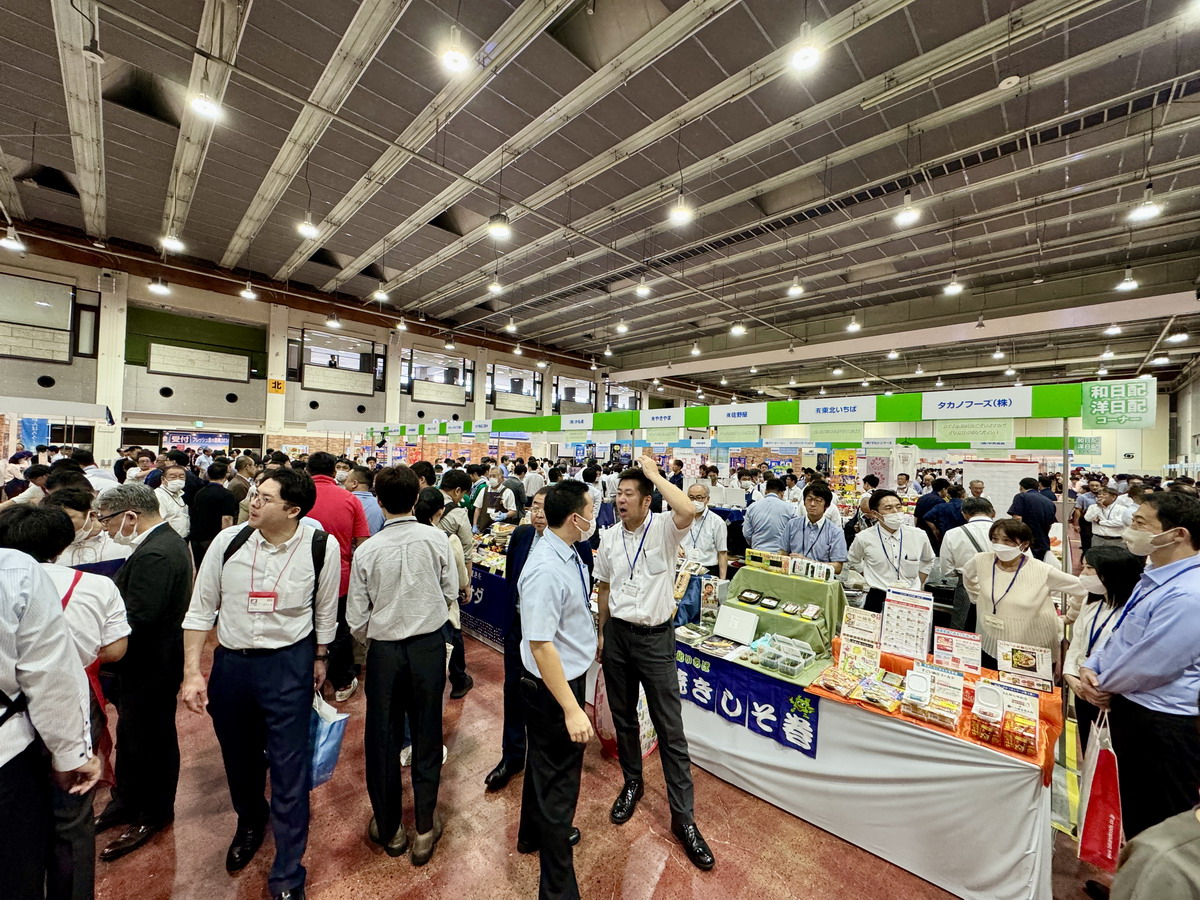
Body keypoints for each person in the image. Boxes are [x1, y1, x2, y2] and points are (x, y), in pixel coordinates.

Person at [181, 468, 339, 900]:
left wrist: (320, 658)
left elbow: (325, 612)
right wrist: (193, 671)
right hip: (232, 665)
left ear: (293, 510)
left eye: (265, 499)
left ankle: (288, 872)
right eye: (255, 493)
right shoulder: (227, 543)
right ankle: (250, 819)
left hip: (289, 664)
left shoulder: (319, 547)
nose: (253, 502)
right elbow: (200, 611)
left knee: (290, 766)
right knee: (239, 756)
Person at [0, 505, 129, 900]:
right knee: (66, 821)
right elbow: (51, 673)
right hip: (22, 731)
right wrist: (72, 755)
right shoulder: (21, 574)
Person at [596, 456, 715, 871]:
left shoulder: (664, 528)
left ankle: (684, 820)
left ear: (647, 501)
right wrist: (601, 633)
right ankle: (633, 783)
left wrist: (653, 474)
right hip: (618, 638)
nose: (620, 499)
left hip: (655, 640)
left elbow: (688, 509)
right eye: (618, 493)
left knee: (670, 728)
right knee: (624, 717)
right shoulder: (609, 537)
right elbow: (605, 586)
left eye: (629, 494)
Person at [348, 468, 456, 866]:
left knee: (382, 737)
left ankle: (391, 826)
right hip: (428, 647)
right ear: (417, 498)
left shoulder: (367, 550)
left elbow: (356, 616)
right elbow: (448, 592)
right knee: (427, 732)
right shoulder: (437, 540)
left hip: (385, 652)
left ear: (378, 501)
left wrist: (378, 639)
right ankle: (425, 827)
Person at [1076, 492, 1200, 839]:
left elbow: (1154, 663)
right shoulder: (1154, 573)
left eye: (1140, 522)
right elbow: (1122, 633)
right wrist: (1093, 664)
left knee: (1161, 819)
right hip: (1128, 703)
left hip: (1163, 723)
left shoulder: (1189, 594)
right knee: (1131, 806)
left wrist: (1102, 684)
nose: (1131, 529)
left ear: (1178, 534)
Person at [92, 482, 192, 861]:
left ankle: (154, 811)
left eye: (107, 520)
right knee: (132, 735)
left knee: (152, 740)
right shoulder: (159, 544)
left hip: (152, 665)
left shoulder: (157, 553)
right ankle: (126, 800)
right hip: (144, 666)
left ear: (130, 516)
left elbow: (140, 618)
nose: (105, 528)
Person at [517, 480, 597, 898]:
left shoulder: (570, 553)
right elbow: (541, 643)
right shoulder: (546, 568)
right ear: (574, 518)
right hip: (553, 687)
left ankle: (530, 833)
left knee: (544, 768)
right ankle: (558, 891)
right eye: (591, 507)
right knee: (559, 788)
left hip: (565, 675)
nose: (595, 513)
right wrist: (571, 708)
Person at [486, 488, 593, 796]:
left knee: (549, 711)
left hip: (551, 642)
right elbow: (511, 582)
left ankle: (539, 764)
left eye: (544, 509)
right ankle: (512, 755)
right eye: (534, 507)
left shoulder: (576, 549)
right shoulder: (520, 537)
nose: (538, 514)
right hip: (520, 632)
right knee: (514, 693)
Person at [962, 519, 1085, 670]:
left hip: (1031, 649)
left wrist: (1070, 616)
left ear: (1024, 544)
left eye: (1007, 540)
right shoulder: (981, 560)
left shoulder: (1042, 571)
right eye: (995, 539)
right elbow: (967, 576)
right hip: (990, 641)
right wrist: (977, 598)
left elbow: (1082, 589)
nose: (999, 544)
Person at [1064, 546, 1143, 755]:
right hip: (1082, 689)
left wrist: (1104, 690)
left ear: (1111, 574)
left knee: (1112, 755)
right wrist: (1070, 677)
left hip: (1110, 696)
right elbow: (1077, 643)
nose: (1083, 574)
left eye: (1089, 568)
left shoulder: (1132, 614)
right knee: (1089, 751)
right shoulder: (1092, 604)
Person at [305, 451, 370, 703]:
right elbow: (362, 542)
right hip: (341, 576)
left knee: (305, 626)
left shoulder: (299, 496)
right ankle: (342, 682)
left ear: (308, 471)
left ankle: (307, 680)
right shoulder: (350, 499)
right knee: (340, 629)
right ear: (334, 472)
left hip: (300, 575)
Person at [845, 490, 935, 612]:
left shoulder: (918, 535)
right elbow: (854, 559)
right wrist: (868, 575)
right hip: (878, 595)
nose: (895, 512)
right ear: (875, 514)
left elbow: (928, 559)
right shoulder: (864, 537)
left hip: (911, 597)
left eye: (898, 507)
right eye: (888, 508)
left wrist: (919, 580)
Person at [437, 469, 475, 699]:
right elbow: (466, 552)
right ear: (458, 490)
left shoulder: (421, 499)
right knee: (453, 626)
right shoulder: (458, 513)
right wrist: (466, 583)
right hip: (447, 577)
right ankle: (459, 678)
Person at [937, 497, 995, 631]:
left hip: (966, 587)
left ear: (964, 513)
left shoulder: (953, 534)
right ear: (993, 512)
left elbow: (947, 570)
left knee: (963, 628)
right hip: (1003, 587)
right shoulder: (1008, 531)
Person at [43, 488, 132, 568]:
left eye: (66, 518)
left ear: (92, 515)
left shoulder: (121, 542)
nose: (59, 524)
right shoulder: (53, 549)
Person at [781, 482, 849, 573]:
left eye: (818, 500)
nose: (812, 504)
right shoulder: (792, 524)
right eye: (809, 499)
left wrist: (807, 562)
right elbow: (783, 553)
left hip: (820, 581)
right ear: (804, 502)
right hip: (792, 577)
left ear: (827, 505)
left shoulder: (835, 532)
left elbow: (837, 567)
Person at [189, 461, 239, 567]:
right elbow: (227, 518)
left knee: (200, 568)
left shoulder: (200, 492)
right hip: (213, 538)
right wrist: (226, 539)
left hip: (196, 537)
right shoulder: (226, 494)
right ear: (226, 475)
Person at [682, 483, 729, 578]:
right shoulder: (681, 517)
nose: (695, 501)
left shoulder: (717, 522)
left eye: (699, 497)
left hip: (707, 571)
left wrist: (722, 580)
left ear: (707, 499)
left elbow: (722, 552)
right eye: (691, 497)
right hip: (683, 569)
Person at [1007, 477, 1057, 561]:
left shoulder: (1021, 497)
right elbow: (1050, 524)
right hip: (1043, 542)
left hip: (1025, 542)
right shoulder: (1049, 502)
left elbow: (1017, 518)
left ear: (1021, 487)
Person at [741, 477, 794, 553]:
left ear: (766, 491)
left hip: (757, 552)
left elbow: (746, 533)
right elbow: (794, 534)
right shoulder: (790, 508)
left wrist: (754, 544)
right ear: (782, 493)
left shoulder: (752, 507)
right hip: (780, 554)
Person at [923, 483, 966, 552]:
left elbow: (927, 517)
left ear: (949, 495)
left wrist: (935, 530)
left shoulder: (941, 506)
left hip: (945, 537)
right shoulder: (967, 507)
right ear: (963, 495)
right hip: (964, 537)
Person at [345, 466, 384, 535]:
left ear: (355, 484)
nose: (345, 483)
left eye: (346, 479)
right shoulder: (380, 506)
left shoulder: (344, 502)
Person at [155, 464, 191, 540]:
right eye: (173, 477)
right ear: (163, 479)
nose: (178, 480)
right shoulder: (159, 496)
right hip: (167, 540)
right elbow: (157, 522)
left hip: (181, 538)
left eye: (181, 477)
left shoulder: (179, 494)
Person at [913, 477, 949, 543]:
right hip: (932, 533)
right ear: (943, 489)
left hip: (920, 530)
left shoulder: (922, 498)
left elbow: (916, 516)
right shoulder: (941, 501)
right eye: (947, 490)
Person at [1073, 477, 1102, 553]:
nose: (1094, 487)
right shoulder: (1082, 497)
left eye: (1097, 485)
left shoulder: (1105, 497)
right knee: (1086, 542)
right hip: (1086, 522)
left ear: (1101, 486)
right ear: (1089, 486)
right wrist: (1076, 524)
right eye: (1092, 485)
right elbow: (1077, 510)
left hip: (1101, 522)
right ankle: (1085, 560)